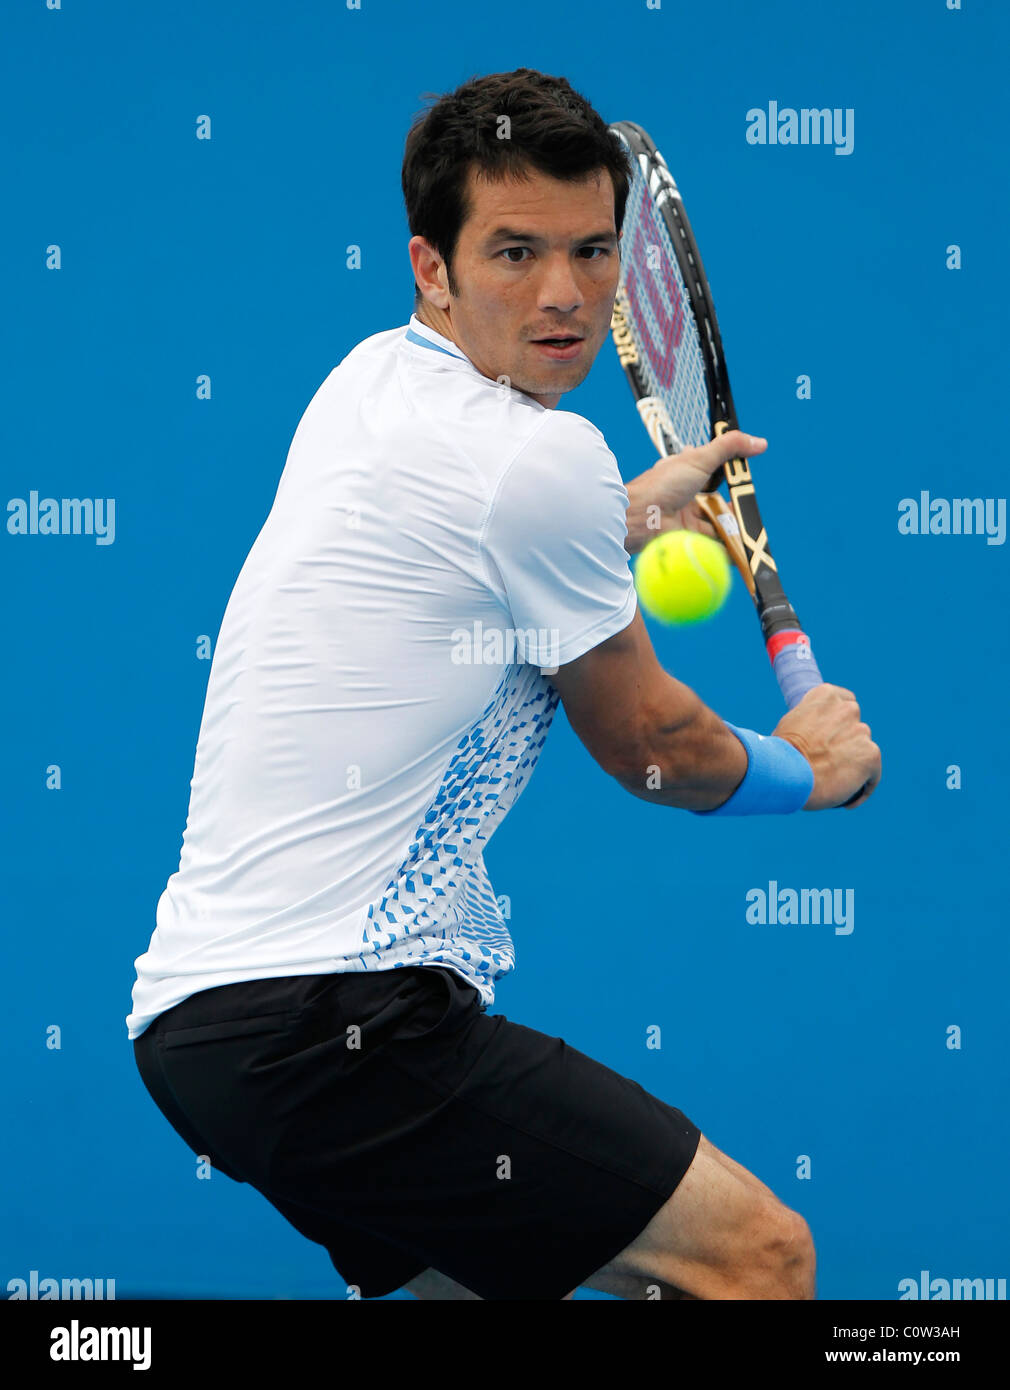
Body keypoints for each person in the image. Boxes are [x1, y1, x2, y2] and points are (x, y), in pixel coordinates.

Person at [128, 67, 880, 1302]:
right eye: (514, 252)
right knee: (754, 1259)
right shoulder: (536, 459)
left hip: (202, 1036)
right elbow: (653, 749)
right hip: (340, 1024)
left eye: (592, 252)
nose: (564, 295)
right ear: (433, 266)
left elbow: (469, 540)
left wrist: (623, 513)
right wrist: (812, 770)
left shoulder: (369, 382)